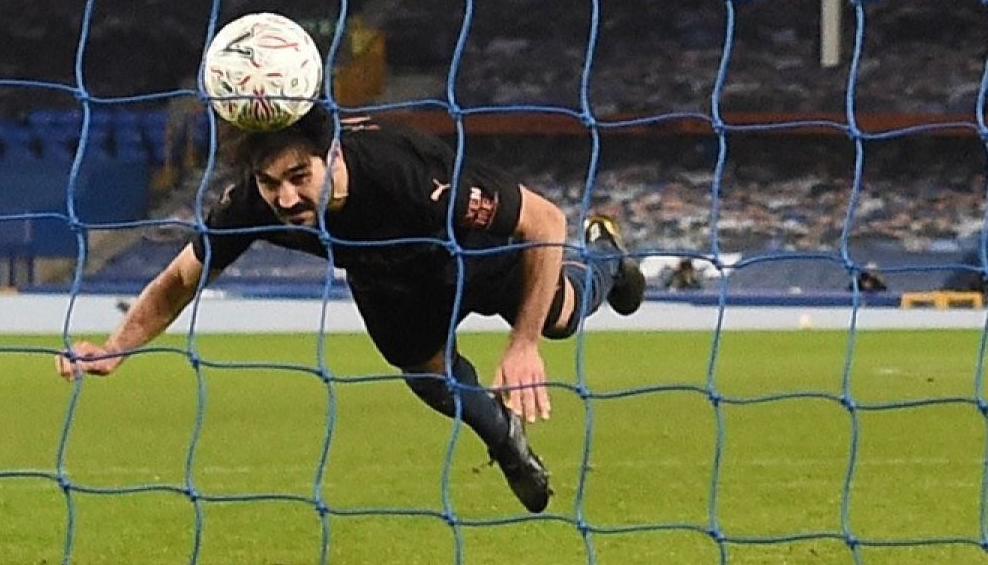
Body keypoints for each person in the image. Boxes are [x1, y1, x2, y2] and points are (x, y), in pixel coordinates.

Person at [56, 108, 645, 513]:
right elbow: (179, 279)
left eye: (298, 177)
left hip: (470, 253)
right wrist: (115, 348)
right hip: (387, 281)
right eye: (270, 183)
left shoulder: (404, 170)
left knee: (558, 318)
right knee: (430, 377)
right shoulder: (252, 205)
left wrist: (522, 347)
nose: (286, 198)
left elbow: (543, 220)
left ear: (329, 156)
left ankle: (604, 259)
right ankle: (506, 441)